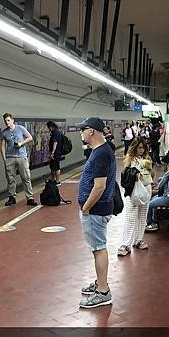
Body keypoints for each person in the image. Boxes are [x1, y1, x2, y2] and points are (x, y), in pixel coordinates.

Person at [77, 117, 116, 309]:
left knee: (98, 248)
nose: (81, 133)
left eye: (83, 129)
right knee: (97, 248)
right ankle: (100, 282)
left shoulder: (100, 154)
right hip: (99, 208)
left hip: (95, 210)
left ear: (91, 131)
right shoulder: (102, 150)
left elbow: (99, 186)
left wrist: (86, 207)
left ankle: (103, 291)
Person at [118, 137, 153, 256]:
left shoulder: (147, 159)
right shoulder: (130, 158)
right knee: (131, 216)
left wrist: (150, 168)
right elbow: (125, 173)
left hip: (146, 188)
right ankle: (125, 244)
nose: (141, 150)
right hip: (133, 189)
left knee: (142, 216)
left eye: (143, 148)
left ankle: (138, 240)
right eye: (139, 148)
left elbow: (151, 175)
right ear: (134, 148)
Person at [0, 113, 37, 206]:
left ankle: (30, 198)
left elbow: (30, 138)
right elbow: (2, 145)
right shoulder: (4, 132)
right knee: (10, 178)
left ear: (12, 120)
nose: (7, 122)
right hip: (10, 157)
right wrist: (4, 158)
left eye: (8, 120)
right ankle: (12, 197)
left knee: (26, 177)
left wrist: (21, 144)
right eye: (5, 121)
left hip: (21, 156)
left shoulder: (20, 128)